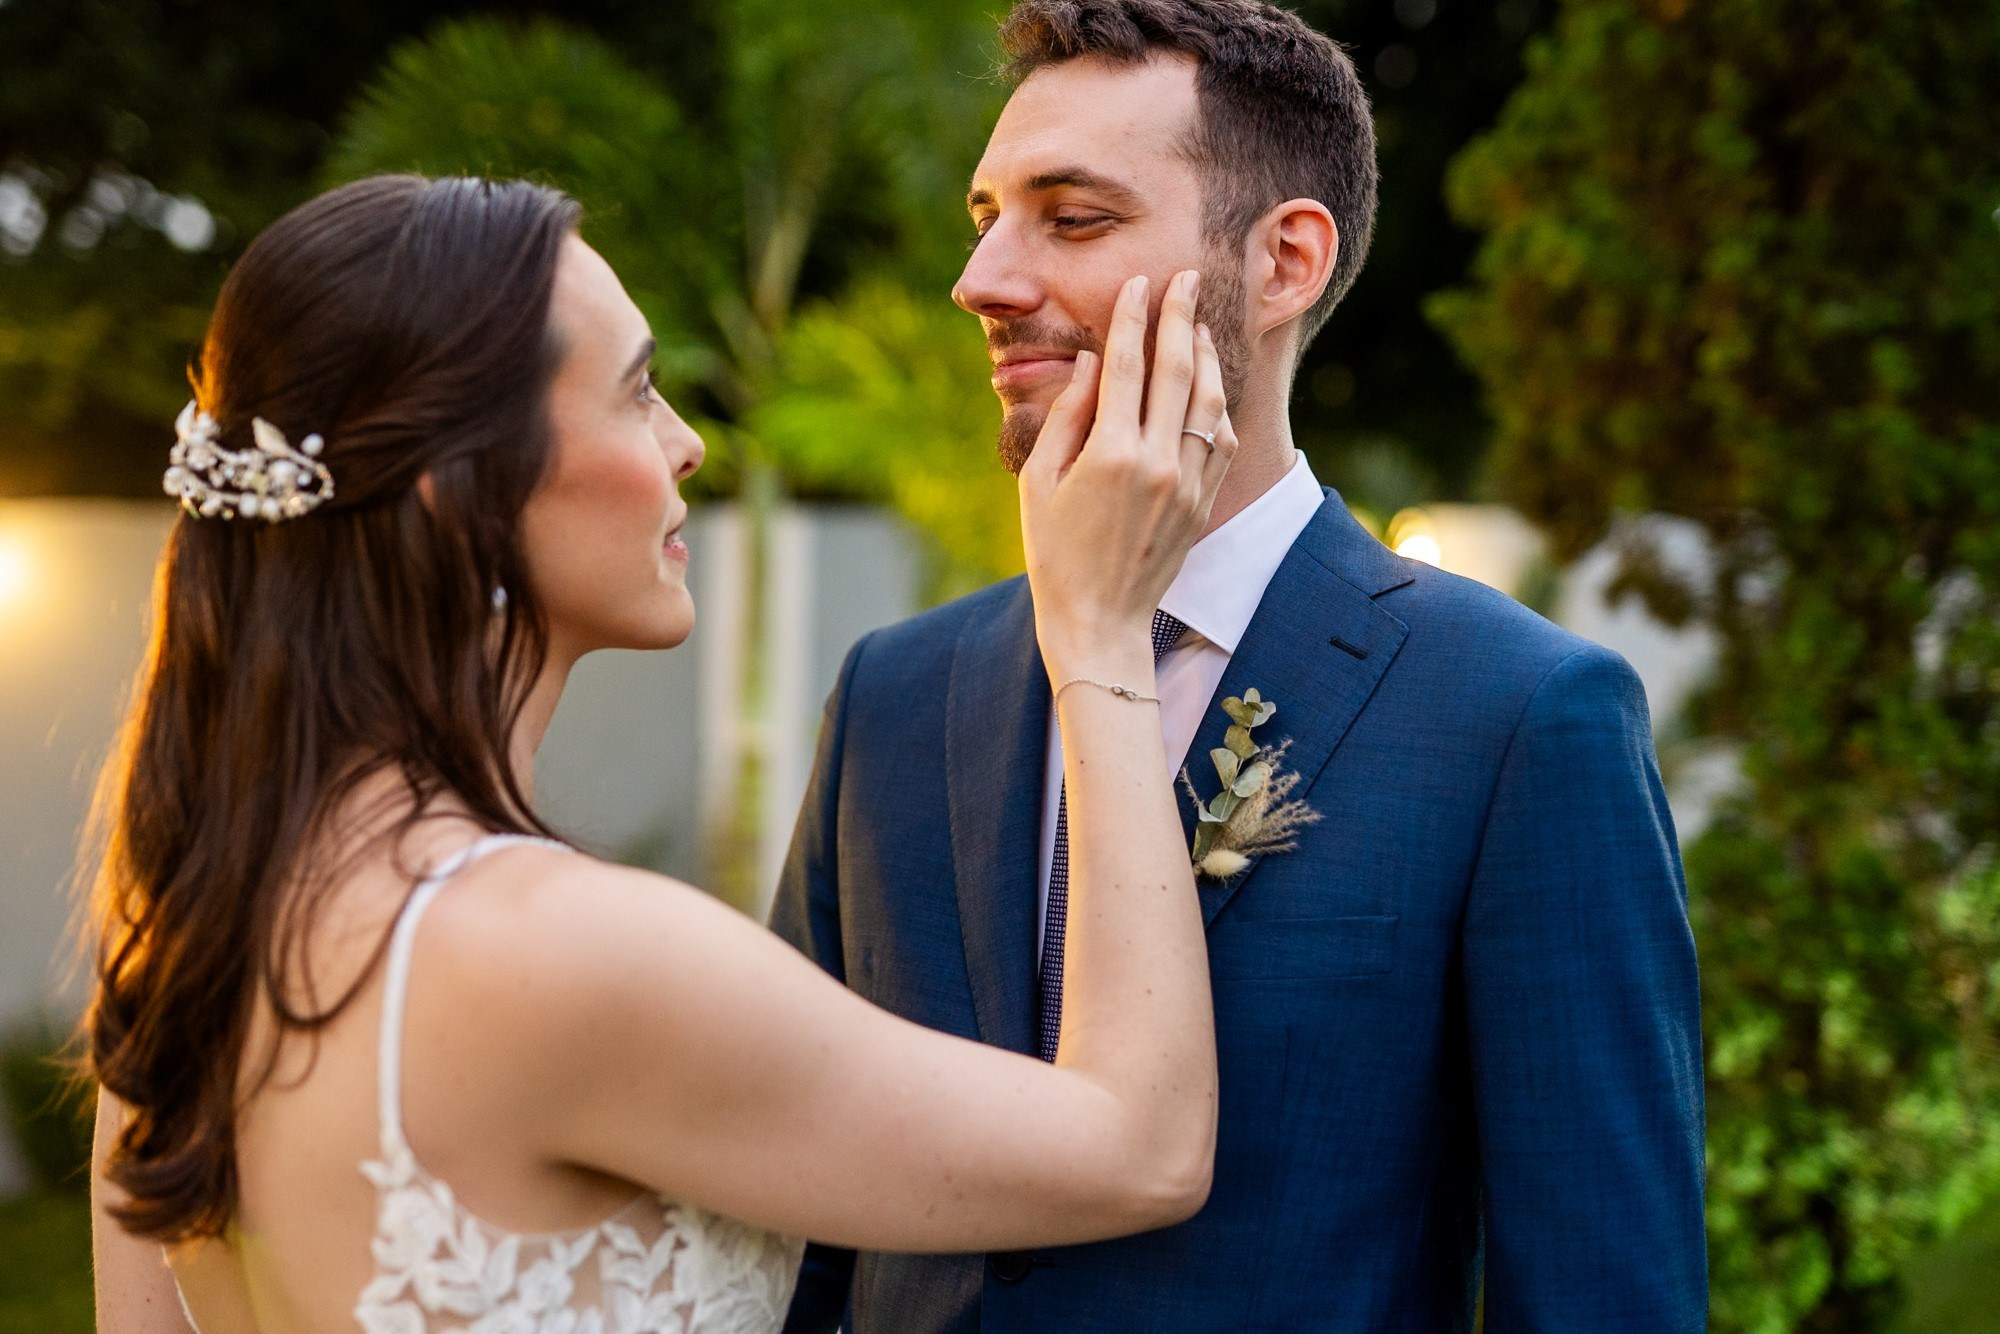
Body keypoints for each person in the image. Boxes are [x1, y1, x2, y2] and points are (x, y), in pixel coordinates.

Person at [84, 172, 1238, 1333]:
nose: (686, 445)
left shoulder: (184, 959)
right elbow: (1140, 1148)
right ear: (455, 494)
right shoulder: (564, 953)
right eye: (637, 392)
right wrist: (1096, 631)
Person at [770, 1, 1709, 1330]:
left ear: (1283, 263)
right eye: (984, 217)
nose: (982, 280)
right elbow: (810, 1232)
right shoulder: (894, 695)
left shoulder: (1516, 716)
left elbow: (1606, 1294)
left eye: (1074, 217)